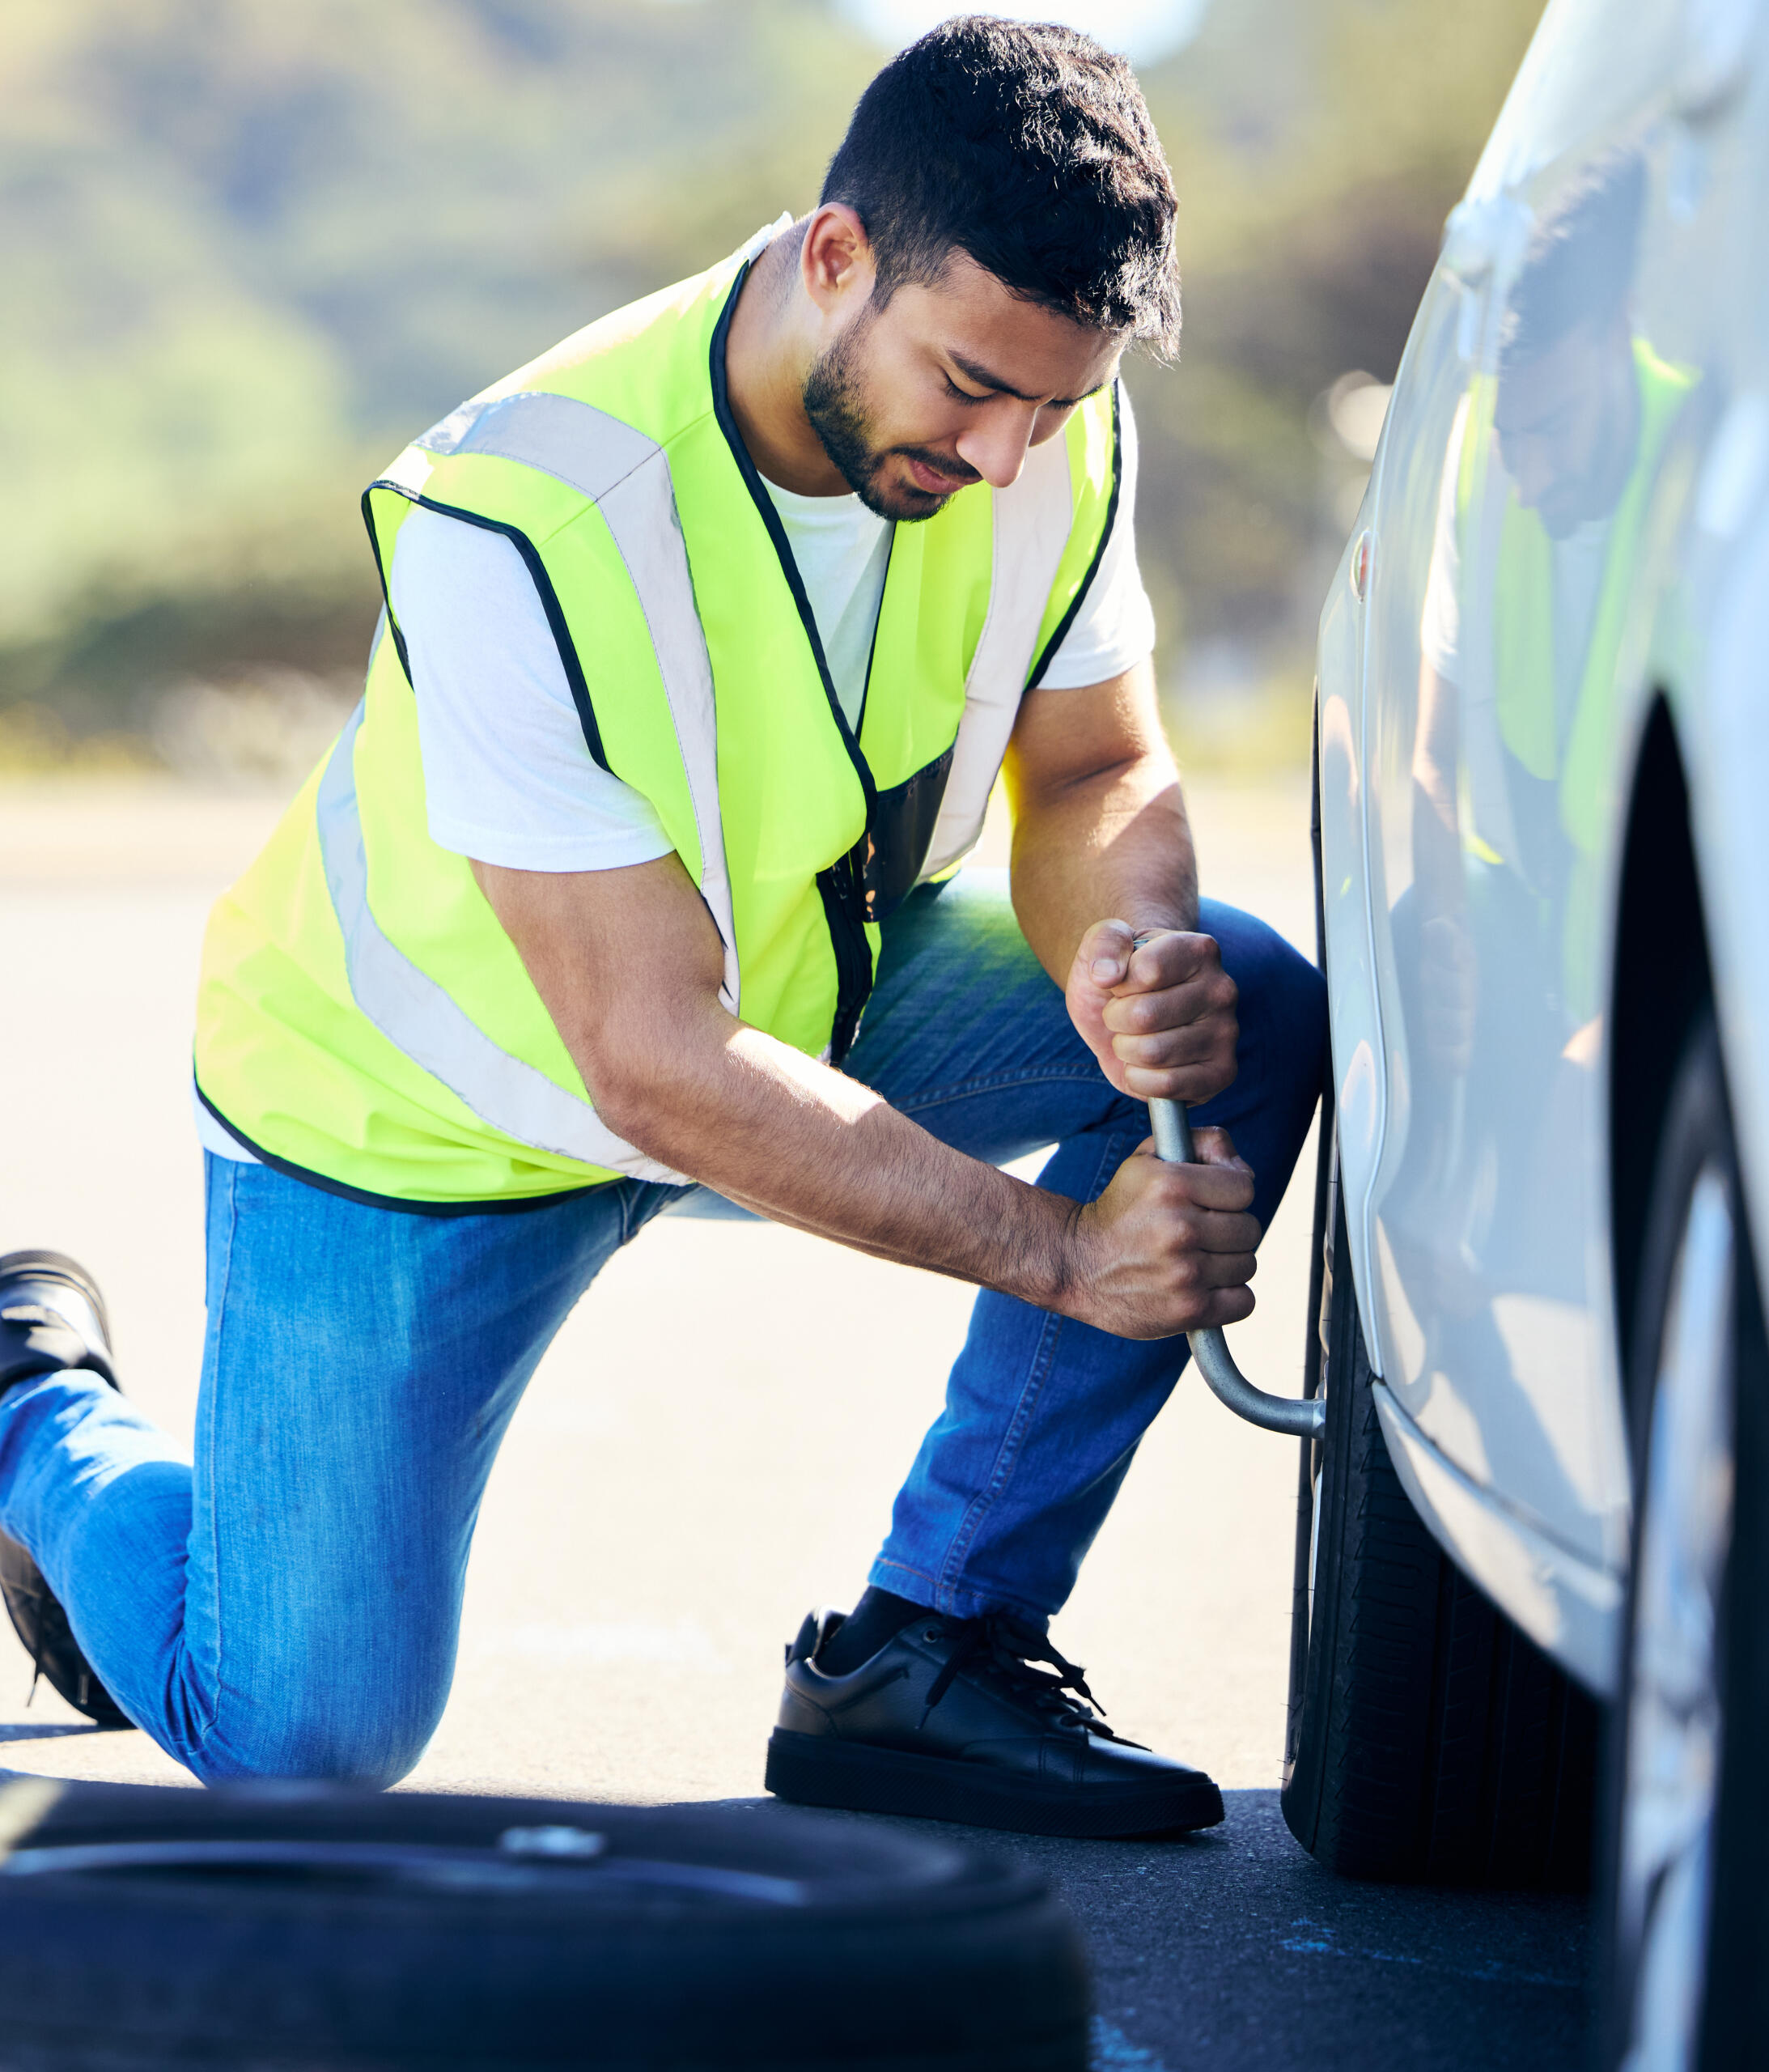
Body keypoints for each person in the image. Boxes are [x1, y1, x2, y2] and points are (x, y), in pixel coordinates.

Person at [0, 17, 1324, 1839]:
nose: (1011, 455)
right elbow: (648, 1058)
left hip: (790, 1007)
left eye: (1055, 406)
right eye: (970, 389)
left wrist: (1123, 955)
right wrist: (1063, 1253)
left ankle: (930, 1649)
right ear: (836, 254)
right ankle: (32, 1416)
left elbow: (1094, 761)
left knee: (1237, 989)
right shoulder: (516, 511)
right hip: (417, 1124)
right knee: (301, 1734)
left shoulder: (1034, 423)